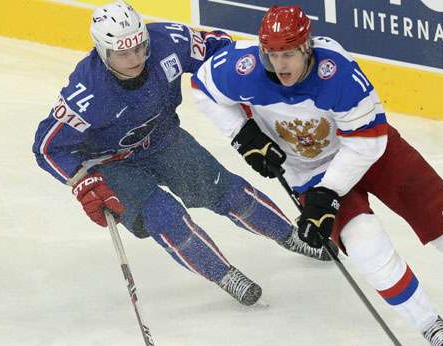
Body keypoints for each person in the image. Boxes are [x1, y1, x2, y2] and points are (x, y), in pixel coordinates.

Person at [190, 4, 443, 345]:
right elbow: (203, 87)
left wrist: (328, 191)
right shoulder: (243, 68)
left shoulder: (338, 73)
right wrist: (243, 134)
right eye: (273, 55)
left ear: (307, 48)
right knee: (368, 250)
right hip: (311, 171)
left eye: (289, 54)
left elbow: (367, 142)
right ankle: (429, 325)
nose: (280, 64)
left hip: (376, 154)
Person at [32, 1, 337, 308]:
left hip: (163, 139)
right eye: (123, 53)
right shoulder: (87, 92)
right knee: (165, 215)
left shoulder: (169, 41)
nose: (136, 58)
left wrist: (247, 83)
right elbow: (47, 147)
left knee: (226, 190)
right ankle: (225, 275)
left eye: (139, 47)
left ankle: (290, 236)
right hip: (111, 165)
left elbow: (220, 50)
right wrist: (84, 182)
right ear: (103, 51)